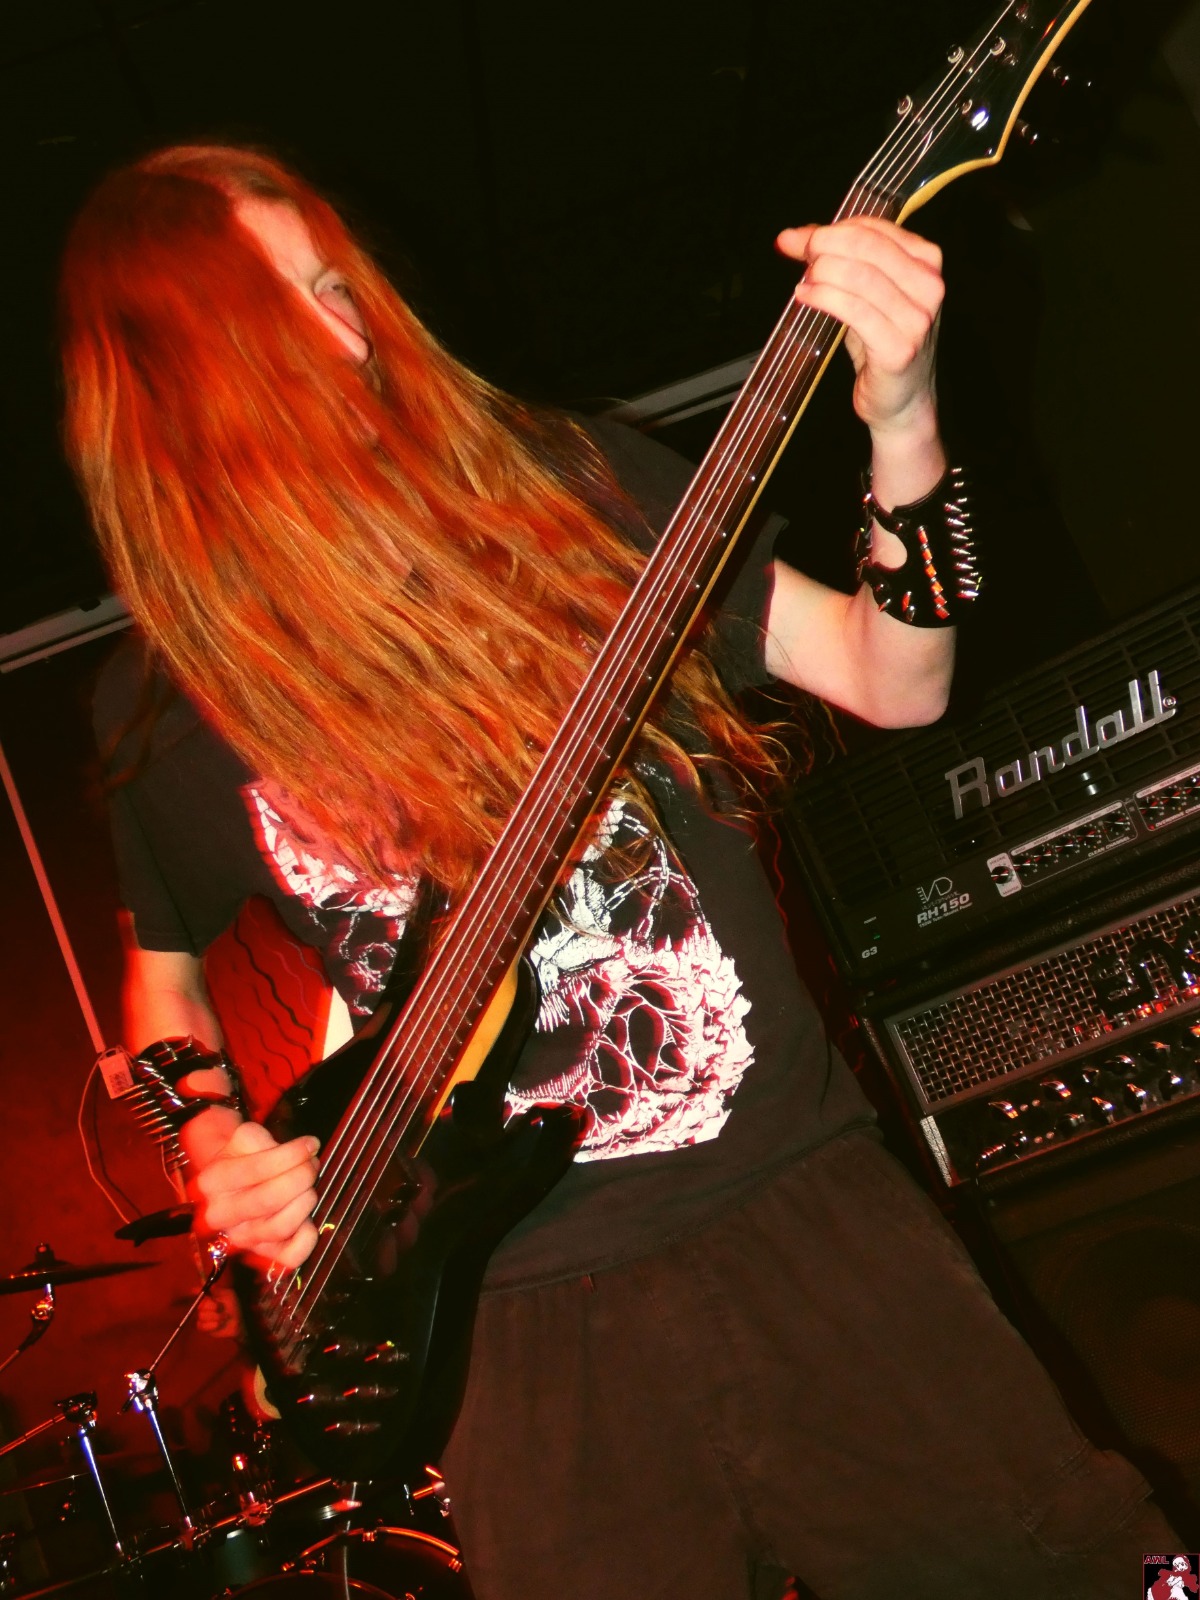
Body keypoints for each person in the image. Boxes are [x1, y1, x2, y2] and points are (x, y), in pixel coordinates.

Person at [65, 145, 1177, 1599]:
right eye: (287, 320)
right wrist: (211, 1148)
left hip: (803, 1217)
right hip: (508, 1332)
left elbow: (893, 681)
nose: (348, 339)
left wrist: (902, 420)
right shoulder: (166, 707)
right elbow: (161, 990)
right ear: (178, 392)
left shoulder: (564, 493)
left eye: (341, 289)